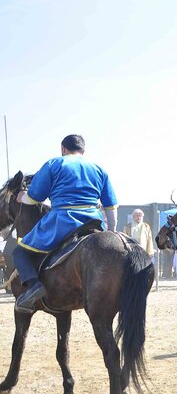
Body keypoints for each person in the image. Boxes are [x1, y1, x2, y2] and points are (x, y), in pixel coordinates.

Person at [12, 134, 118, 313]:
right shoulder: (99, 169)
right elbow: (111, 206)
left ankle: (33, 287)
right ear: (83, 151)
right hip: (93, 221)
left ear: (63, 148)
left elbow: (35, 197)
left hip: (61, 221)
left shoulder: (54, 164)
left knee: (20, 252)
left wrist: (21, 196)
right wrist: (111, 232)